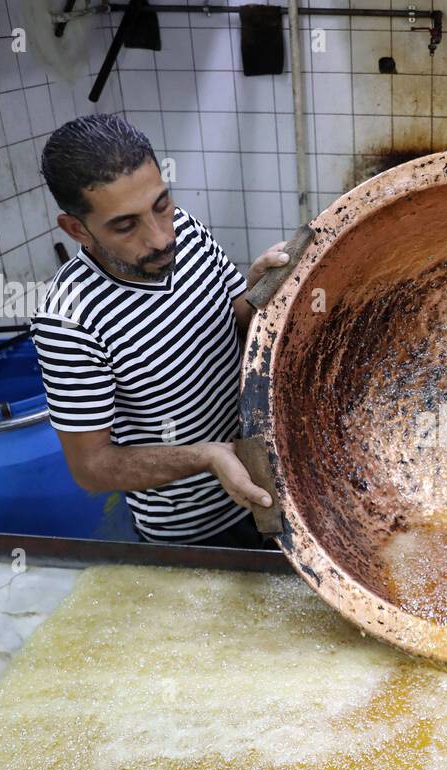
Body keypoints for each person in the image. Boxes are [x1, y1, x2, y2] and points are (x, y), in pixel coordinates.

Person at [31, 113, 286, 547]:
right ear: (77, 229)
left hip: (273, 480)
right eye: (125, 225)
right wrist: (208, 457)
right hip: (194, 531)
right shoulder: (68, 321)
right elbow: (91, 468)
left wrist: (258, 289)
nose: (160, 238)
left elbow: (232, 319)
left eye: (161, 204)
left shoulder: (184, 230)